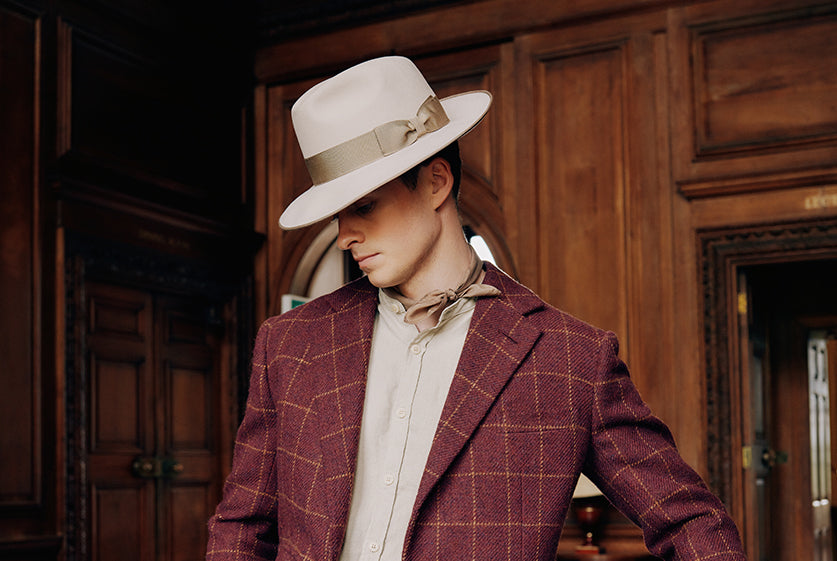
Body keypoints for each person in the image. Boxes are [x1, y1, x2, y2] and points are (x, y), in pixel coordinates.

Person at [206, 56, 746, 561]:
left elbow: (691, 522)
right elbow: (241, 527)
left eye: (364, 207)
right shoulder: (290, 344)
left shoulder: (570, 360)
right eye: (337, 215)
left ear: (436, 182)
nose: (345, 235)